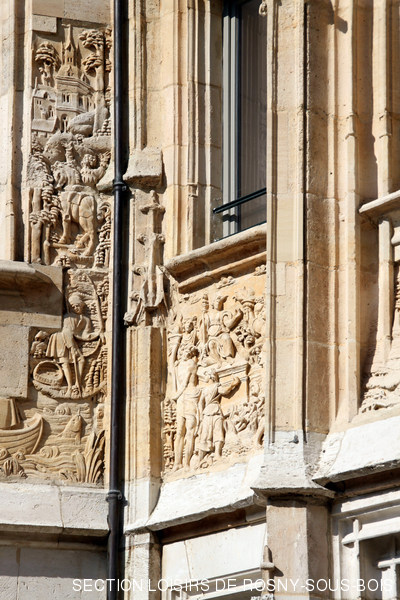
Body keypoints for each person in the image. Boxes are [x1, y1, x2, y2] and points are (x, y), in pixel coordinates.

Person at [46, 292, 100, 395]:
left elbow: (85, 335)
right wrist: (72, 348)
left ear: (82, 305)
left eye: (77, 305)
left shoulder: (86, 320)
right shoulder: (67, 317)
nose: (76, 308)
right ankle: (70, 386)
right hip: (62, 339)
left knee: (81, 360)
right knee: (65, 362)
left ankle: (78, 384)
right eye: (73, 306)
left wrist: (97, 334)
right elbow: (66, 332)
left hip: (72, 340)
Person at [197, 370, 240, 461]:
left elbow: (224, 391)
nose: (205, 378)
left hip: (212, 410)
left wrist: (233, 384)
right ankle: (203, 457)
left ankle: (216, 454)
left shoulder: (215, 386)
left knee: (215, 431)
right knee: (207, 433)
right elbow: (200, 403)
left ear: (210, 376)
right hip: (210, 410)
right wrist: (200, 415)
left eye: (206, 375)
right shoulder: (207, 389)